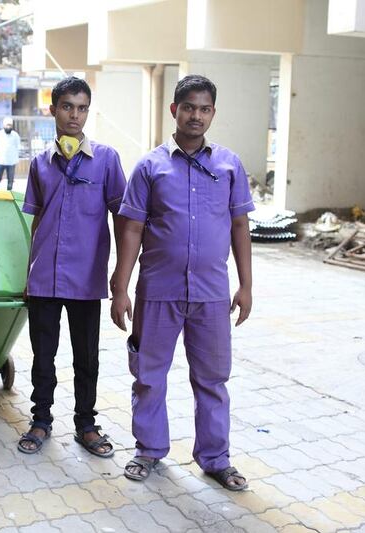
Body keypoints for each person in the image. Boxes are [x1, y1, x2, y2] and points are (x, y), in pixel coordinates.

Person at [110, 75, 254, 489]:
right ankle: (149, 450)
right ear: (174, 110)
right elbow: (132, 229)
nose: (196, 115)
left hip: (211, 294)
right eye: (188, 107)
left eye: (204, 108)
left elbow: (240, 226)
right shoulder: (150, 166)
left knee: (212, 378)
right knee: (149, 374)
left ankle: (214, 458)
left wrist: (245, 286)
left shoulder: (228, 165)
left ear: (212, 113)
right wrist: (120, 288)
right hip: (158, 290)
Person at [17, 77, 127, 458]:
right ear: (53, 110)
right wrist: (27, 273)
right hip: (44, 277)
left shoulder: (108, 161)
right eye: (67, 106)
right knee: (42, 355)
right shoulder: (39, 165)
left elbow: (124, 219)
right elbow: (35, 221)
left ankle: (86, 424)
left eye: (81, 108)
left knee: (87, 357)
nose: (74, 115)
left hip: (86, 279)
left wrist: (121, 276)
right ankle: (40, 420)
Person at [0, 117, 21, 191]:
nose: (8, 126)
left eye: (10, 125)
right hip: (0, 161)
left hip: (11, 161)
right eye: (7, 125)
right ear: (4, 125)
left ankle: (9, 198)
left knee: (10, 182)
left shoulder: (15, 135)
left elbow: (18, 146)